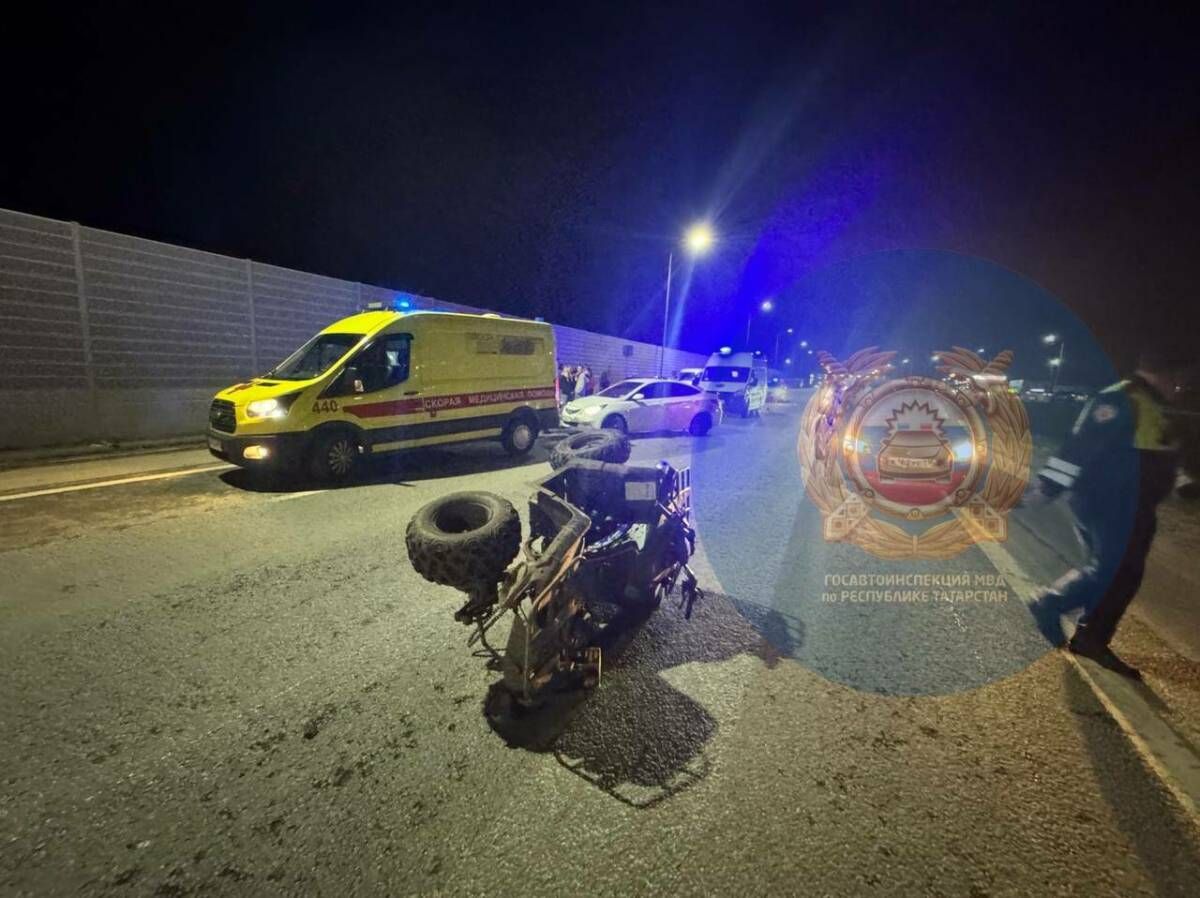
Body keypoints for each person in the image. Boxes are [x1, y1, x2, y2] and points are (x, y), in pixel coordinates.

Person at [1028, 350, 1191, 678]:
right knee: (1116, 570)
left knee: (1120, 573)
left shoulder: (1153, 404)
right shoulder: (1121, 400)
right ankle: (1055, 607)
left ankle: (1089, 634)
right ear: (1163, 373)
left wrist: (1183, 482)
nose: (1181, 385)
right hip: (1108, 501)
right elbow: (1079, 448)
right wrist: (1048, 487)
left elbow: (1162, 454)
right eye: (1178, 378)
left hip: (1134, 504)